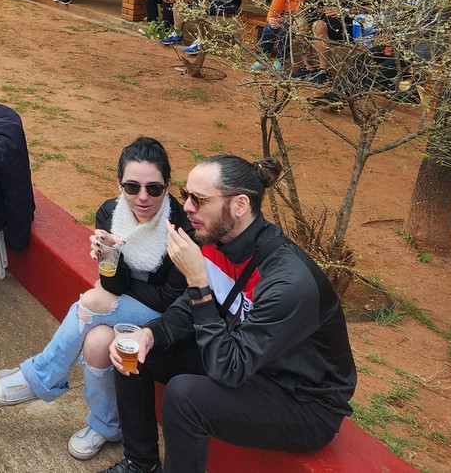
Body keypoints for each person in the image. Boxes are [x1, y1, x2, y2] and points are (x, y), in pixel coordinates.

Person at [104, 154, 356, 473]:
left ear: (239, 205)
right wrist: (150, 334)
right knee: (137, 354)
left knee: (185, 397)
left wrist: (197, 281)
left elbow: (229, 369)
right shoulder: (218, 237)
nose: (188, 208)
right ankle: (140, 463)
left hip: (302, 400)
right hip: (248, 360)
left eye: (199, 199)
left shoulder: (287, 282)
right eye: (185, 196)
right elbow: (189, 307)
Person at [0, 137, 194, 461]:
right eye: (132, 186)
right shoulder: (110, 213)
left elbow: (170, 297)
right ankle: (106, 425)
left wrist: (108, 284)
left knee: (94, 300)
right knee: (96, 342)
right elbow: (115, 282)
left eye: (153, 188)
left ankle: (40, 377)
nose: (142, 197)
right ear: (119, 183)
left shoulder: (181, 227)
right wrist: (112, 256)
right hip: (124, 306)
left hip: (165, 320)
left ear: (167, 186)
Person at [291, 0, 366, 85]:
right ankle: (308, 67)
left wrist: (345, 11)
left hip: (348, 24)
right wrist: (298, 15)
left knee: (318, 26)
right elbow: (310, 2)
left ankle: (323, 71)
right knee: (299, 24)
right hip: (324, 18)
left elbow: (374, 7)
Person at [252, 0, 310, 72]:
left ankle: (280, 62)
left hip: (300, 19)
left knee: (285, 30)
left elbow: (305, 10)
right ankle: (262, 59)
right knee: (269, 28)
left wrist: (287, 19)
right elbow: (276, 4)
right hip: (284, 16)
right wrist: (272, 19)